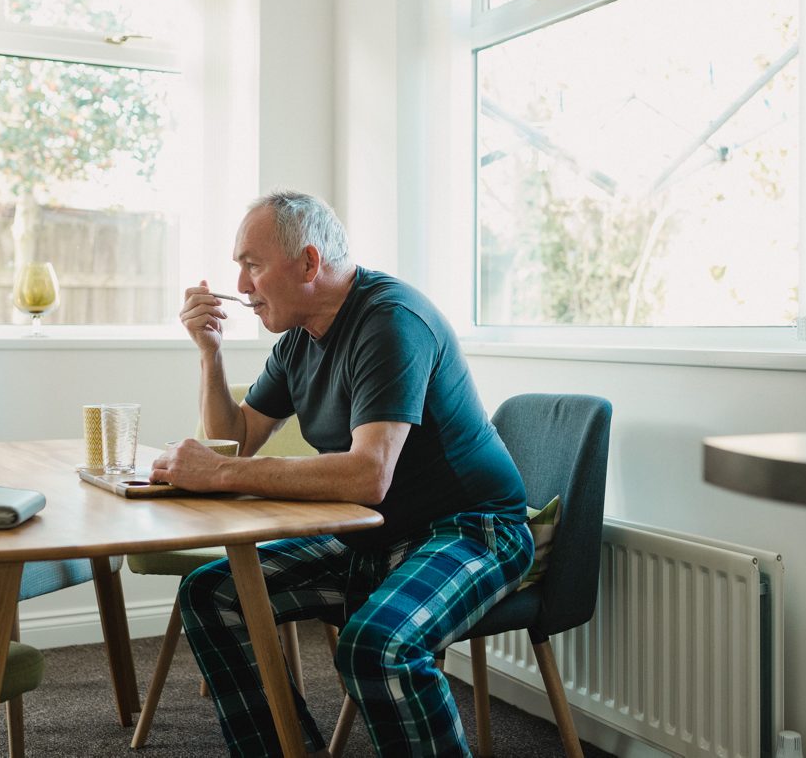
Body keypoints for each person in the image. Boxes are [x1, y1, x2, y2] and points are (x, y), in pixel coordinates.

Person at [150, 191, 534, 757]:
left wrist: (222, 473)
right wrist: (210, 355)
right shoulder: (299, 340)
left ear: (308, 263)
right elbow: (237, 440)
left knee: (377, 647)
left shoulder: (391, 323)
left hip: (471, 529)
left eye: (252, 264)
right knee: (211, 592)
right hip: (370, 532)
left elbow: (367, 476)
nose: (242, 284)